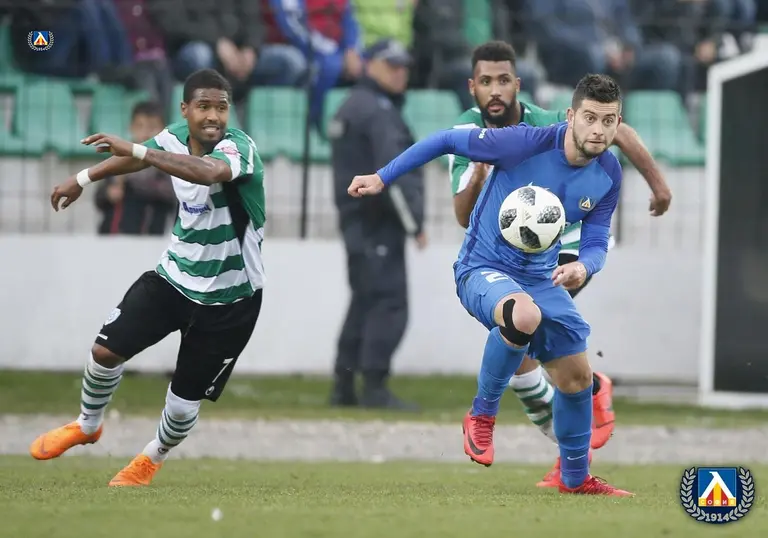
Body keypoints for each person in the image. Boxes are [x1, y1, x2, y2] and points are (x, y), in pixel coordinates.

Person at [348, 74, 634, 496]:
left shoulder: (608, 172)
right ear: (571, 116)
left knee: (577, 379)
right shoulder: (523, 143)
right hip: (482, 267)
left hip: (541, 279)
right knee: (524, 316)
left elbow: (595, 240)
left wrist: (584, 267)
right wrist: (382, 177)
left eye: (608, 121)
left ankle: (575, 479)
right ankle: (481, 416)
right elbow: (446, 139)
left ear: (617, 123)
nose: (598, 130)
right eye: (589, 118)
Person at [449, 41, 673, 487]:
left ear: (518, 84)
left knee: (524, 336)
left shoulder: (548, 121)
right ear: (473, 87)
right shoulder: (470, 132)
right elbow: (462, 215)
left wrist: (659, 186)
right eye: (487, 82)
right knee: (523, 352)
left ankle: (575, 424)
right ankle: (576, 433)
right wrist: (478, 174)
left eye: (504, 80)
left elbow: (618, 130)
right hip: (508, 256)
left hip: (563, 253)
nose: (496, 90)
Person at [29, 69, 266, 488]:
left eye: (221, 107)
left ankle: (150, 459)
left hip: (230, 298)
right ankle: (87, 425)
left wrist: (139, 148)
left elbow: (206, 172)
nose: (214, 116)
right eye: (204, 106)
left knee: (182, 405)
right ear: (185, 109)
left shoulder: (239, 148)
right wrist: (82, 178)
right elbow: (138, 157)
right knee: (104, 352)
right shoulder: (173, 137)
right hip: (173, 278)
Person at [328, 38, 425, 410]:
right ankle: (374, 387)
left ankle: (343, 386)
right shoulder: (378, 111)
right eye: (392, 66)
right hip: (378, 223)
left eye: (404, 67)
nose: (400, 74)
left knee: (363, 302)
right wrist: (414, 224)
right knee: (388, 304)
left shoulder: (353, 105)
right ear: (370, 65)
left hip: (357, 222)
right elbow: (392, 176)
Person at [95, 101, 177, 235]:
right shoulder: (119, 160)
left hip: (152, 237)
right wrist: (109, 193)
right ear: (131, 128)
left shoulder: (169, 163)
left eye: (152, 127)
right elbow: (99, 198)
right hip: (116, 235)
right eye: (140, 126)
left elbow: (172, 199)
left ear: (164, 130)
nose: (145, 133)